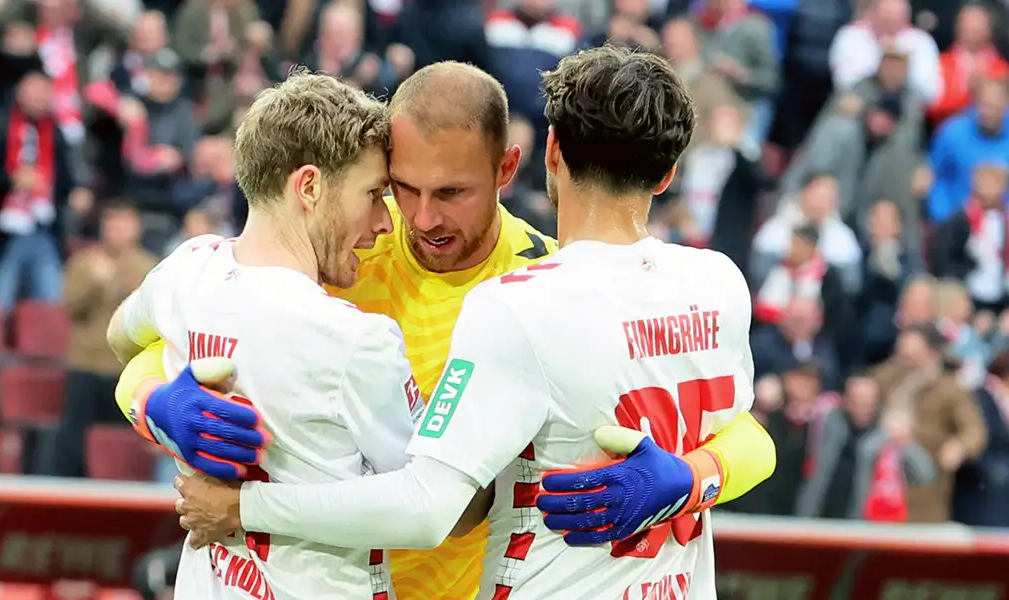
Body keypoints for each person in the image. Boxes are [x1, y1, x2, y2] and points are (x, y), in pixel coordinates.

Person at [115, 61, 776, 599]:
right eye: (400, 188)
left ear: (514, 166)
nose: (420, 218)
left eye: (453, 192)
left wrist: (689, 478)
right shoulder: (341, 248)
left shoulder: (537, 290)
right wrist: (155, 404)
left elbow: (434, 504)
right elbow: (181, 323)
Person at [105, 70, 424, 598]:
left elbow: (121, 336)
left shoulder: (189, 269)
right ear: (310, 186)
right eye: (373, 194)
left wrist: (151, 403)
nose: (383, 222)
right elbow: (428, 506)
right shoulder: (355, 338)